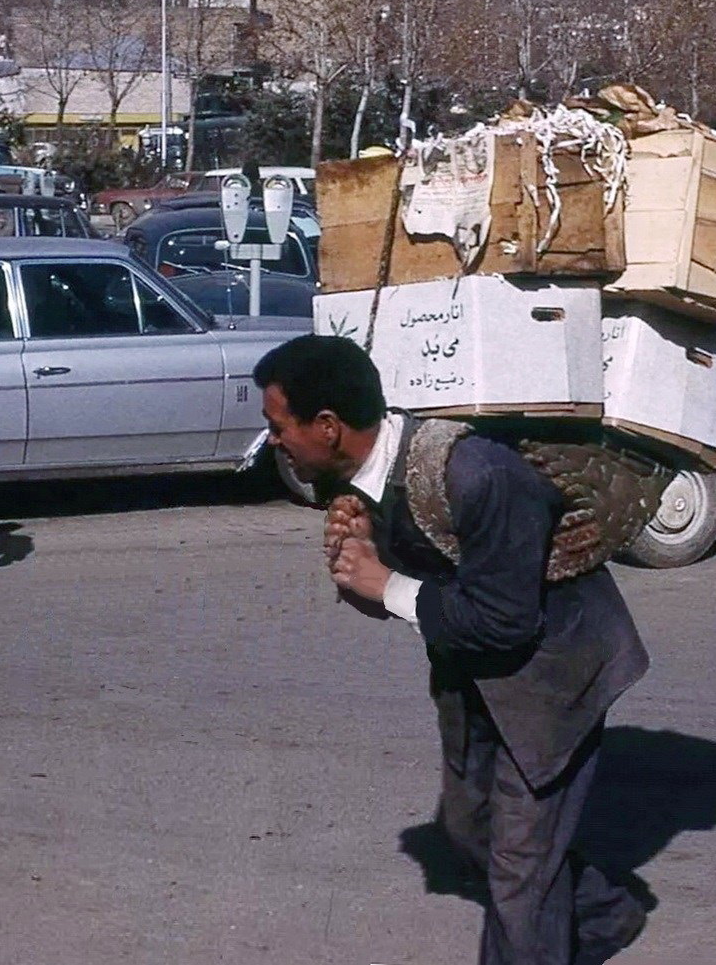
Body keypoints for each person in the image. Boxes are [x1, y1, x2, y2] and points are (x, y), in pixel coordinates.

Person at [254, 335, 650, 965]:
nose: (272, 441)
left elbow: (505, 622)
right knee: (470, 831)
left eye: (279, 427)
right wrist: (364, 570)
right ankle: (605, 916)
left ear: (327, 427)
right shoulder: (362, 482)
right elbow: (406, 596)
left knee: (520, 877)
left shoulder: (474, 475)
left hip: (552, 676)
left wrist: (385, 582)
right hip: (474, 674)